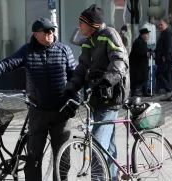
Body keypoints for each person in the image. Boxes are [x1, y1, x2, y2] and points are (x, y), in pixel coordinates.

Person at [0, 18, 77, 181]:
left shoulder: (64, 50)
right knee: (33, 157)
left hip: (61, 111)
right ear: (36, 34)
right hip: (38, 110)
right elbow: (6, 64)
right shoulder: (27, 51)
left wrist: (74, 99)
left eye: (52, 31)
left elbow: (75, 77)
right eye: (47, 31)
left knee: (63, 157)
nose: (50, 34)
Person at [63, 4, 130, 181]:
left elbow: (120, 61)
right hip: (96, 98)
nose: (79, 27)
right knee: (108, 143)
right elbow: (82, 67)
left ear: (92, 24)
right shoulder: (90, 41)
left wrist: (106, 82)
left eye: (81, 23)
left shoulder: (110, 35)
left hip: (110, 96)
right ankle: (113, 177)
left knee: (97, 145)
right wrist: (71, 87)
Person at [155, 18, 172, 101]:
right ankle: (169, 94)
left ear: (166, 24)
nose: (159, 26)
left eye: (161, 24)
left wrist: (165, 56)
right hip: (168, 58)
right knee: (167, 75)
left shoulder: (167, 33)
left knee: (159, 74)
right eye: (159, 25)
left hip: (165, 59)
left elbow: (168, 46)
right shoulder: (167, 32)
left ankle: (169, 90)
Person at [129, 28, 152, 97]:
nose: (148, 36)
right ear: (143, 35)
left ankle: (144, 92)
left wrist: (149, 51)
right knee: (136, 78)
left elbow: (144, 50)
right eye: (147, 34)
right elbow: (138, 52)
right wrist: (146, 54)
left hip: (142, 64)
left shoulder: (143, 41)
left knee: (144, 77)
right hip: (137, 64)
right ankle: (133, 93)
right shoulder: (138, 42)